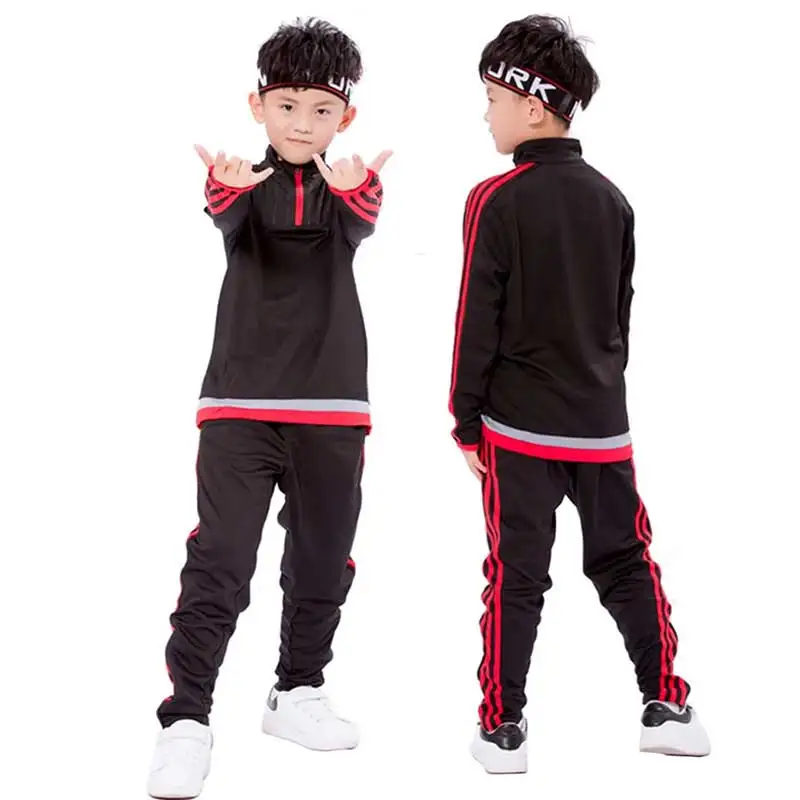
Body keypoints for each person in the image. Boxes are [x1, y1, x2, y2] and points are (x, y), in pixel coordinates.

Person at [447, 15, 710, 774]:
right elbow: (618, 320)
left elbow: (475, 317)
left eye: (493, 99)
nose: (486, 114)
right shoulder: (613, 200)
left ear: (533, 106)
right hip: (602, 427)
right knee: (627, 560)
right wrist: (598, 399)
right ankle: (666, 706)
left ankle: (503, 727)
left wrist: (465, 420)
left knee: (517, 575)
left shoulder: (494, 198)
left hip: (517, 429)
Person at [146, 17, 392, 799]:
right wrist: (226, 186)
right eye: (287, 106)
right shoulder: (241, 186)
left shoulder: (350, 185)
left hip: (333, 405)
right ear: (257, 106)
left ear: (346, 115)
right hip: (239, 404)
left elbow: (360, 218)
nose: (303, 123)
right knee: (221, 559)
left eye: (322, 110)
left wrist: (353, 190)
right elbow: (223, 209)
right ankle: (186, 720)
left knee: (323, 557)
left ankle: (298, 691)